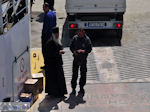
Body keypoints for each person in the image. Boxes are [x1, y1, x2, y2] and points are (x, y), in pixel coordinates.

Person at [44, 27, 68, 98]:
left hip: (57, 63)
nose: (57, 35)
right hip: (52, 64)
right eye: (56, 34)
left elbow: (59, 47)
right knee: (55, 79)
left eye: (58, 34)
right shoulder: (50, 42)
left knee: (59, 78)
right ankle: (56, 93)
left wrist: (60, 51)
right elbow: (49, 53)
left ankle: (60, 92)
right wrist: (58, 52)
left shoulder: (56, 40)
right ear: (53, 34)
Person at [70, 28, 92, 96]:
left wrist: (84, 51)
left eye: (80, 34)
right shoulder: (75, 38)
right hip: (76, 59)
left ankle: (81, 87)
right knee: (74, 74)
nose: (79, 35)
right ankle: (73, 88)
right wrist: (74, 51)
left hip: (83, 59)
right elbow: (71, 46)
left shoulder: (87, 40)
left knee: (83, 74)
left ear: (83, 33)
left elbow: (89, 49)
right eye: (78, 33)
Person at [41, 3, 56, 68]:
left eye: (43, 7)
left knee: (45, 51)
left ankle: (47, 64)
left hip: (47, 35)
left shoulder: (47, 15)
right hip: (53, 34)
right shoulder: (53, 13)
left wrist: (43, 35)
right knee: (51, 50)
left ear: (47, 7)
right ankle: (51, 63)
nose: (43, 9)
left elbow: (45, 27)